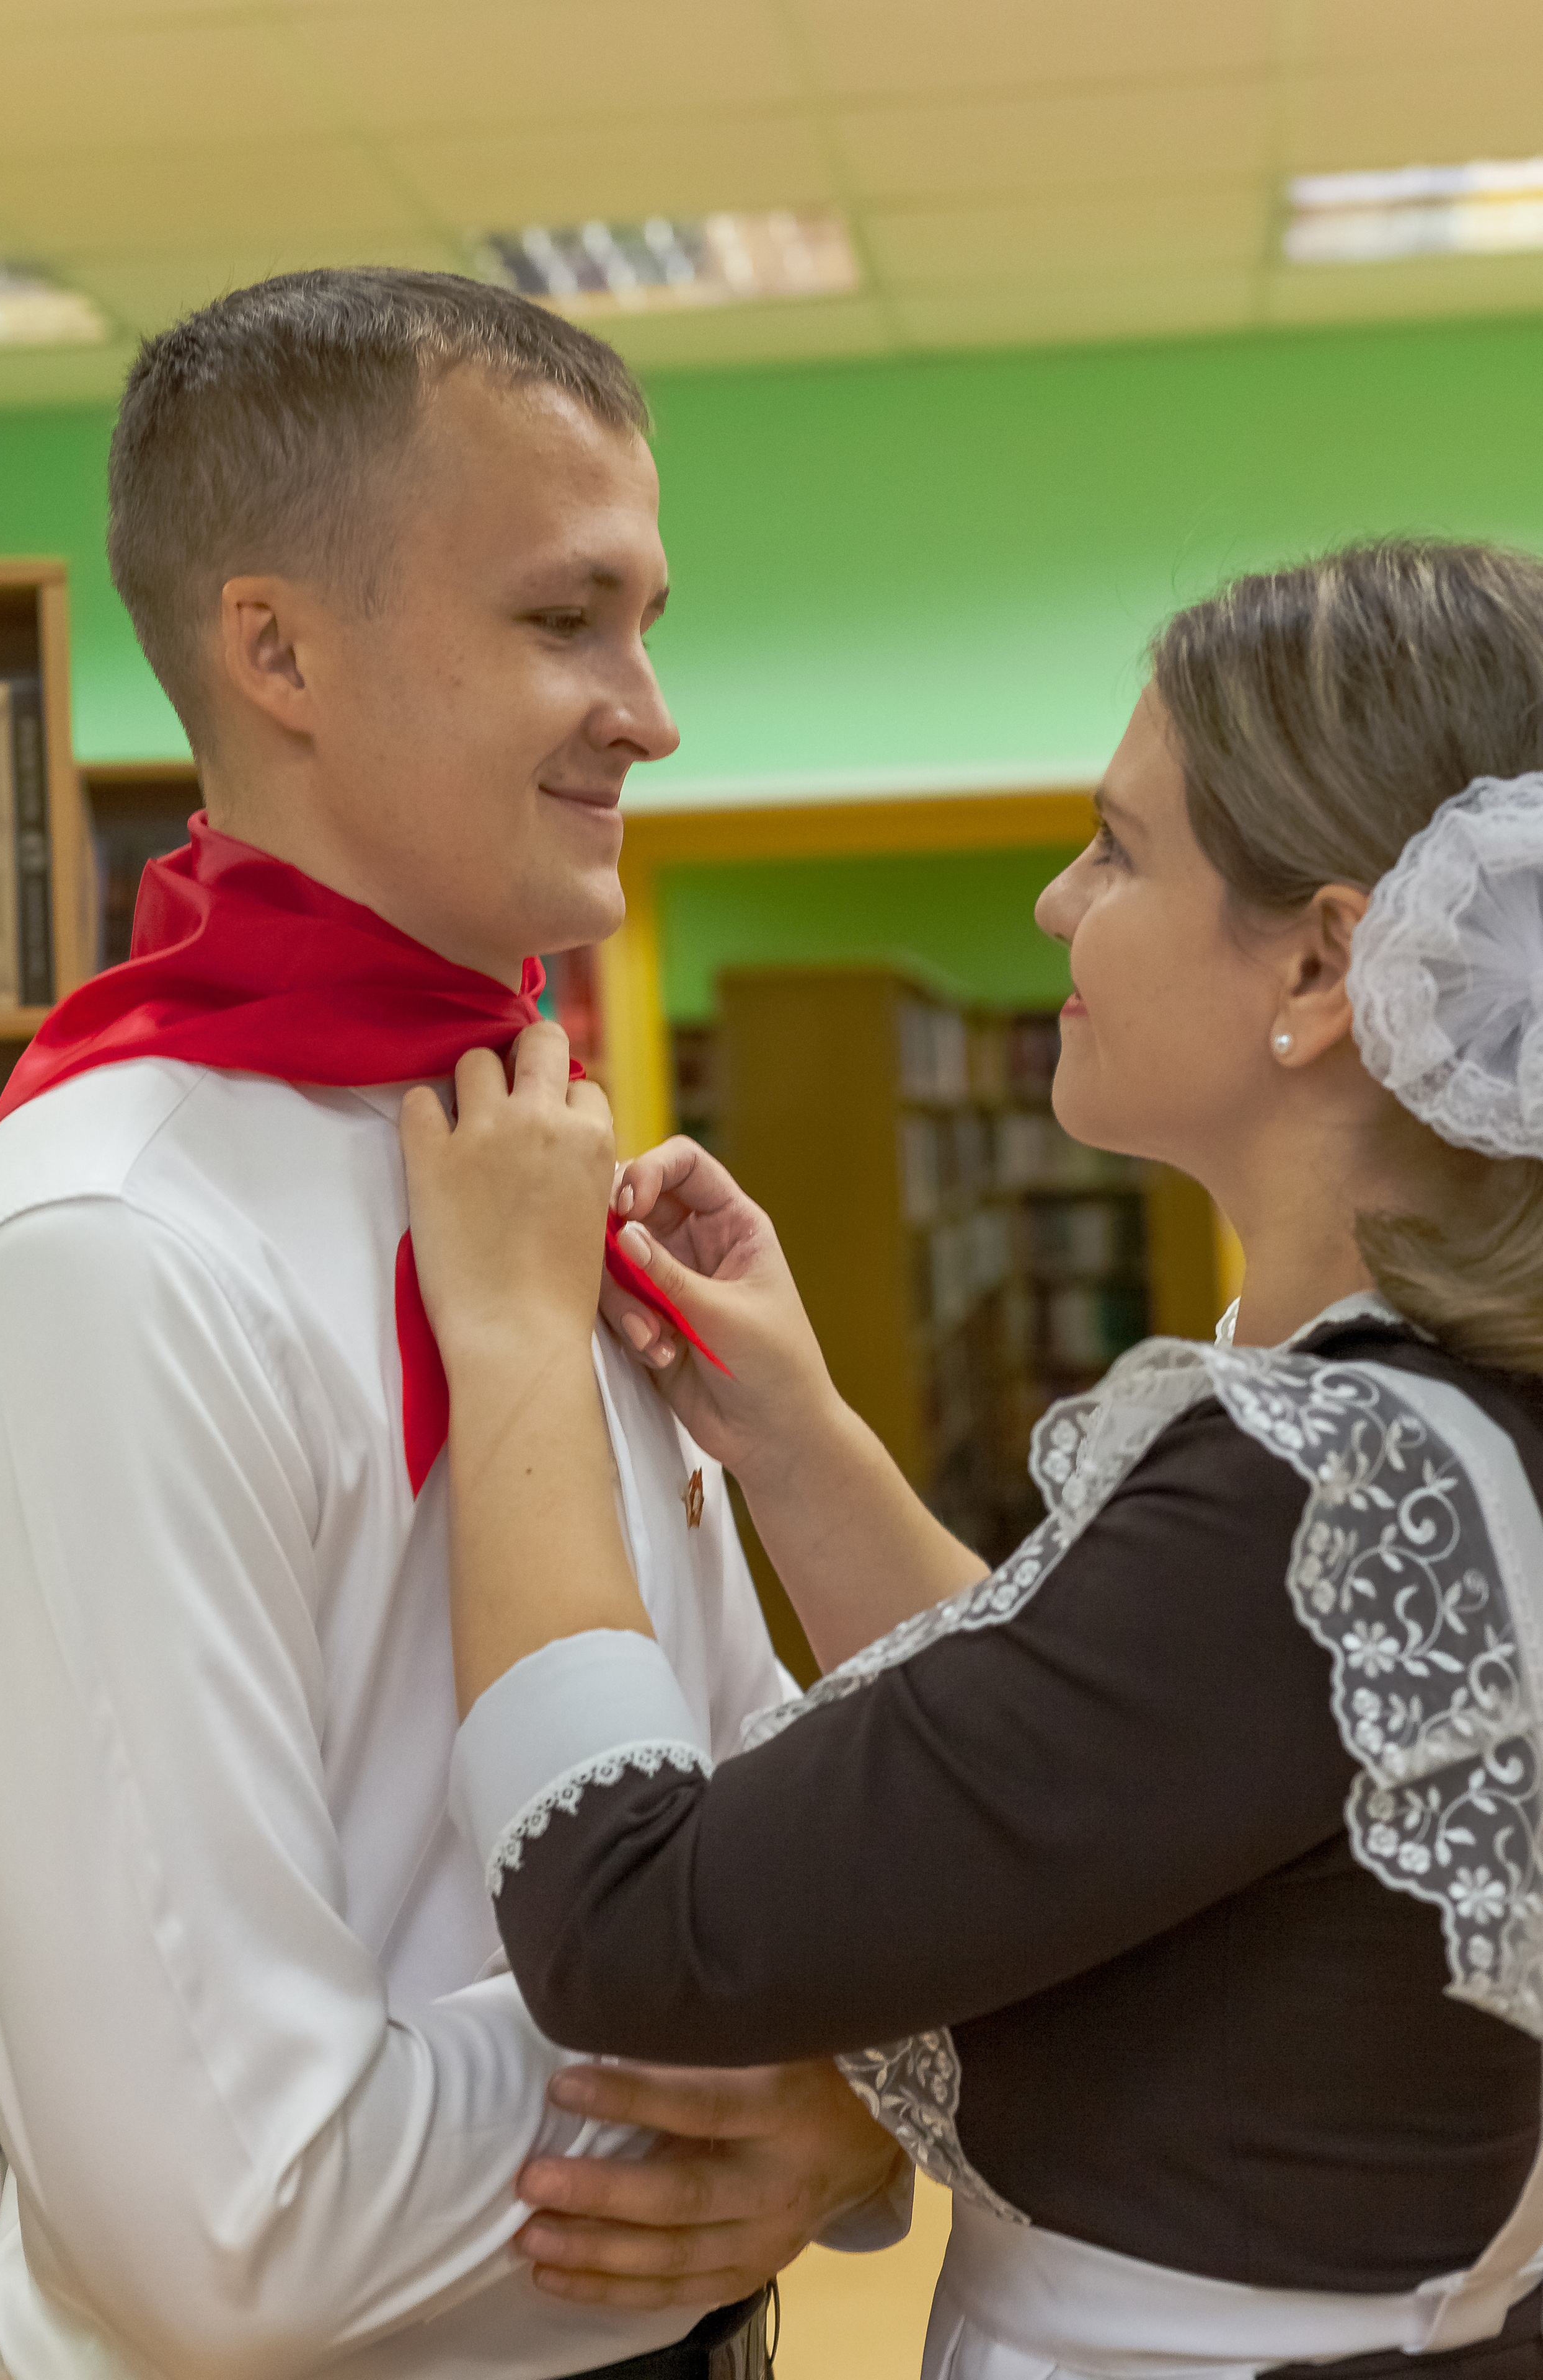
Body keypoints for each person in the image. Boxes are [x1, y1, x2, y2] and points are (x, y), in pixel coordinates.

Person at [402, 538, 1543, 2380]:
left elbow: (627, 1920)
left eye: (1119, 850)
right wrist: (796, 1439)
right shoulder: (1432, 1417)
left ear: (1324, 964)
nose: (1054, 901)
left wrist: (518, 1340)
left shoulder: (1332, 1486)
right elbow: (1076, 1765)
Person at [0, 270, 906, 2380]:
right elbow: (237, 2221)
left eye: (647, 622)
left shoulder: (537, 1148)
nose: (650, 713)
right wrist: (817, 2049)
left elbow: (746, 1802)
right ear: (276, 650)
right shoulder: (101, 1248)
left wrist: (863, 2073)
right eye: (566, 619)